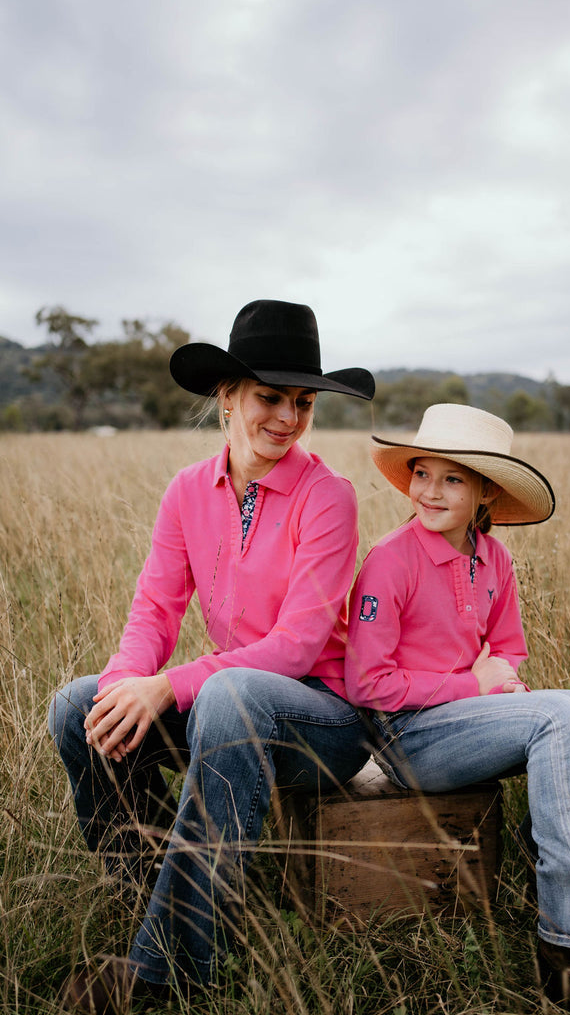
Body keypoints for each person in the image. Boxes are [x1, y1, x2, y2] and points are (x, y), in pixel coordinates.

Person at [49, 299, 375, 1013]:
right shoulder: (188, 492)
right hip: (232, 707)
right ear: (225, 397)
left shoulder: (329, 498)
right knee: (77, 707)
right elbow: (153, 613)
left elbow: (294, 649)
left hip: (322, 721)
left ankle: (166, 971)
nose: (287, 417)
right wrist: (121, 689)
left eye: (302, 401)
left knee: (229, 697)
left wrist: (170, 686)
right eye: (269, 398)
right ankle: (152, 891)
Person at [344, 404, 570, 1015]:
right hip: (406, 738)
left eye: (453, 478)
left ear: (485, 490)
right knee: (557, 720)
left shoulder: (495, 560)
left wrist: (505, 681)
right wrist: (474, 685)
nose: (429, 491)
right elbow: (366, 684)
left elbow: (509, 646)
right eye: (422, 473)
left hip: (466, 719)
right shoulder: (392, 560)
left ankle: (554, 876)